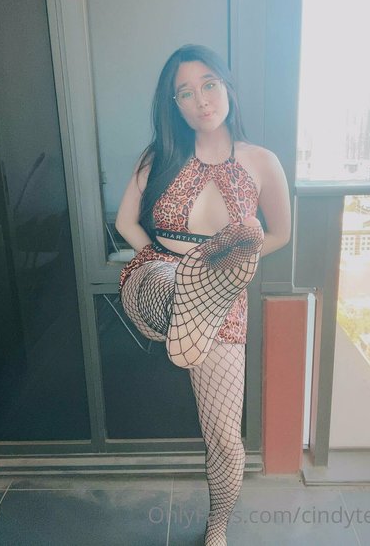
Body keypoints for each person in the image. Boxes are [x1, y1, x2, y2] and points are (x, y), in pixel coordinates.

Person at [115, 44, 291, 546]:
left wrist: (233, 266)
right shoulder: (159, 158)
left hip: (222, 299)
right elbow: (126, 223)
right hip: (160, 279)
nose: (201, 100)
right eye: (185, 93)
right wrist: (158, 258)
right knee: (170, 280)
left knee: (224, 437)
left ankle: (218, 525)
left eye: (209, 84)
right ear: (174, 105)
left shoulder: (262, 162)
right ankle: (187, 286)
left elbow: (279, 233)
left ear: (227, 87)